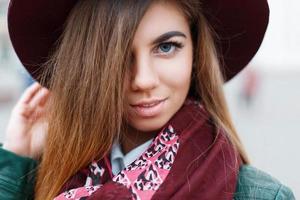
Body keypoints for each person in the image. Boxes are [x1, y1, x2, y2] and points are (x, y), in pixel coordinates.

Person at [0, 0, 295, 199]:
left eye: (166, 47)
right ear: (86, 65)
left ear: (195, 54)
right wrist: (15, 161)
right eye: (116, 55)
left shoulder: (259, 195)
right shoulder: (36, 180)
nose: (143, 80)